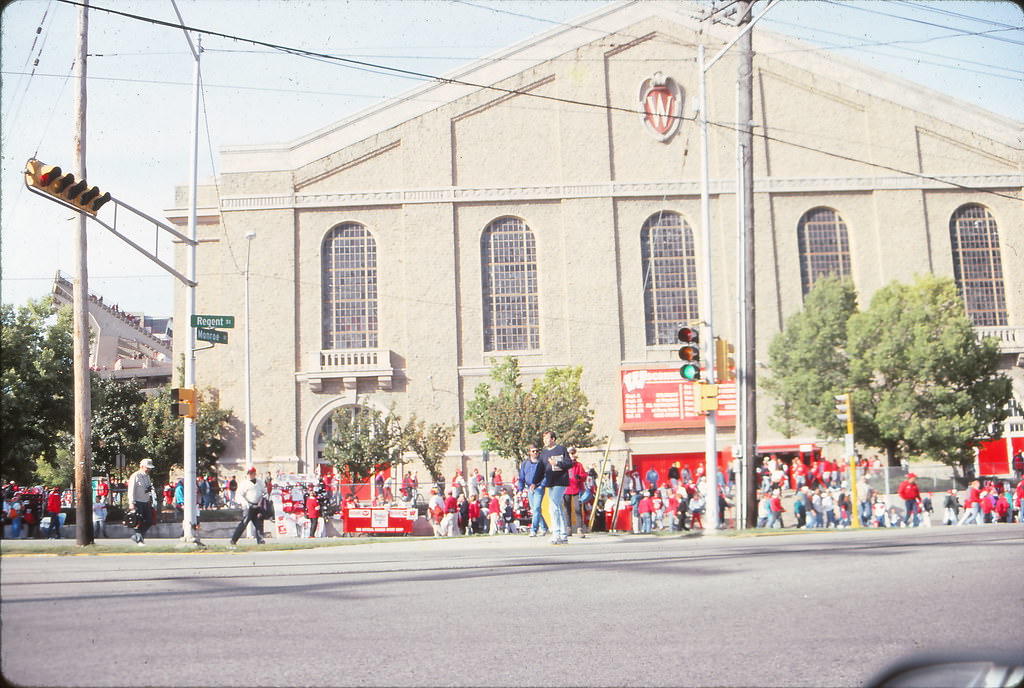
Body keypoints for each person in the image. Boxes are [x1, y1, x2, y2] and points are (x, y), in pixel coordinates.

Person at [540, 430, 573, 544]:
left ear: (553, 439)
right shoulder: (543, 453)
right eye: (543, 438)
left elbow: (569, 463)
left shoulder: (561, 449)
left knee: (553, 506)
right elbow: (540, 469)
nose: (545, 441)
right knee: (557, 507)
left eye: (547, 438)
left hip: (561, 481)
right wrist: (534, 482)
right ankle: (564, 535)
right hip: (550, 482)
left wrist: (557, 463)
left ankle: (556, 533)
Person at [230, 467, 266, 546]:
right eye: (249, 473)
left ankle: (260, 541)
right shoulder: (244, 484)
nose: (250, 475)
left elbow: (264, 491)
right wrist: (244, 503)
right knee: (244, 523)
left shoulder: (260, 482)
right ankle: (234, 540)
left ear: (255, 474)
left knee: (259, 524)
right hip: (248, 506)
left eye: (252, 473)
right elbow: (239, 495)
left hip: (257, 506)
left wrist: (264, 499)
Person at [518, 446, 547, 537]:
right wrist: (520, 489)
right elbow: (522, 477)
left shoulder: (541, 463)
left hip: (538, 488)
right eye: (533, 451)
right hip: (529, 488)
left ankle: (534, 529)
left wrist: (541, 485)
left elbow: (545, 475)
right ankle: (544, 527)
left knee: (537, 508)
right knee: (535, 510)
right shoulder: (525, 463)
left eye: (536, 451)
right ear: (529, 452)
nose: (535, 453)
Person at [126, 459, 156, 545]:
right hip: (137, 502)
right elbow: (131, 490)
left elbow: (148, 489)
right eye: (147, 468)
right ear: (142, 466)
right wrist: (131, 502)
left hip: (146, 502)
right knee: (138, 522)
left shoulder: (147, 476)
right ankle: (139, 539)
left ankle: (137, 536)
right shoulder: (135, 476)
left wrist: (150, 500)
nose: (149, 470)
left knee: (149, 521)